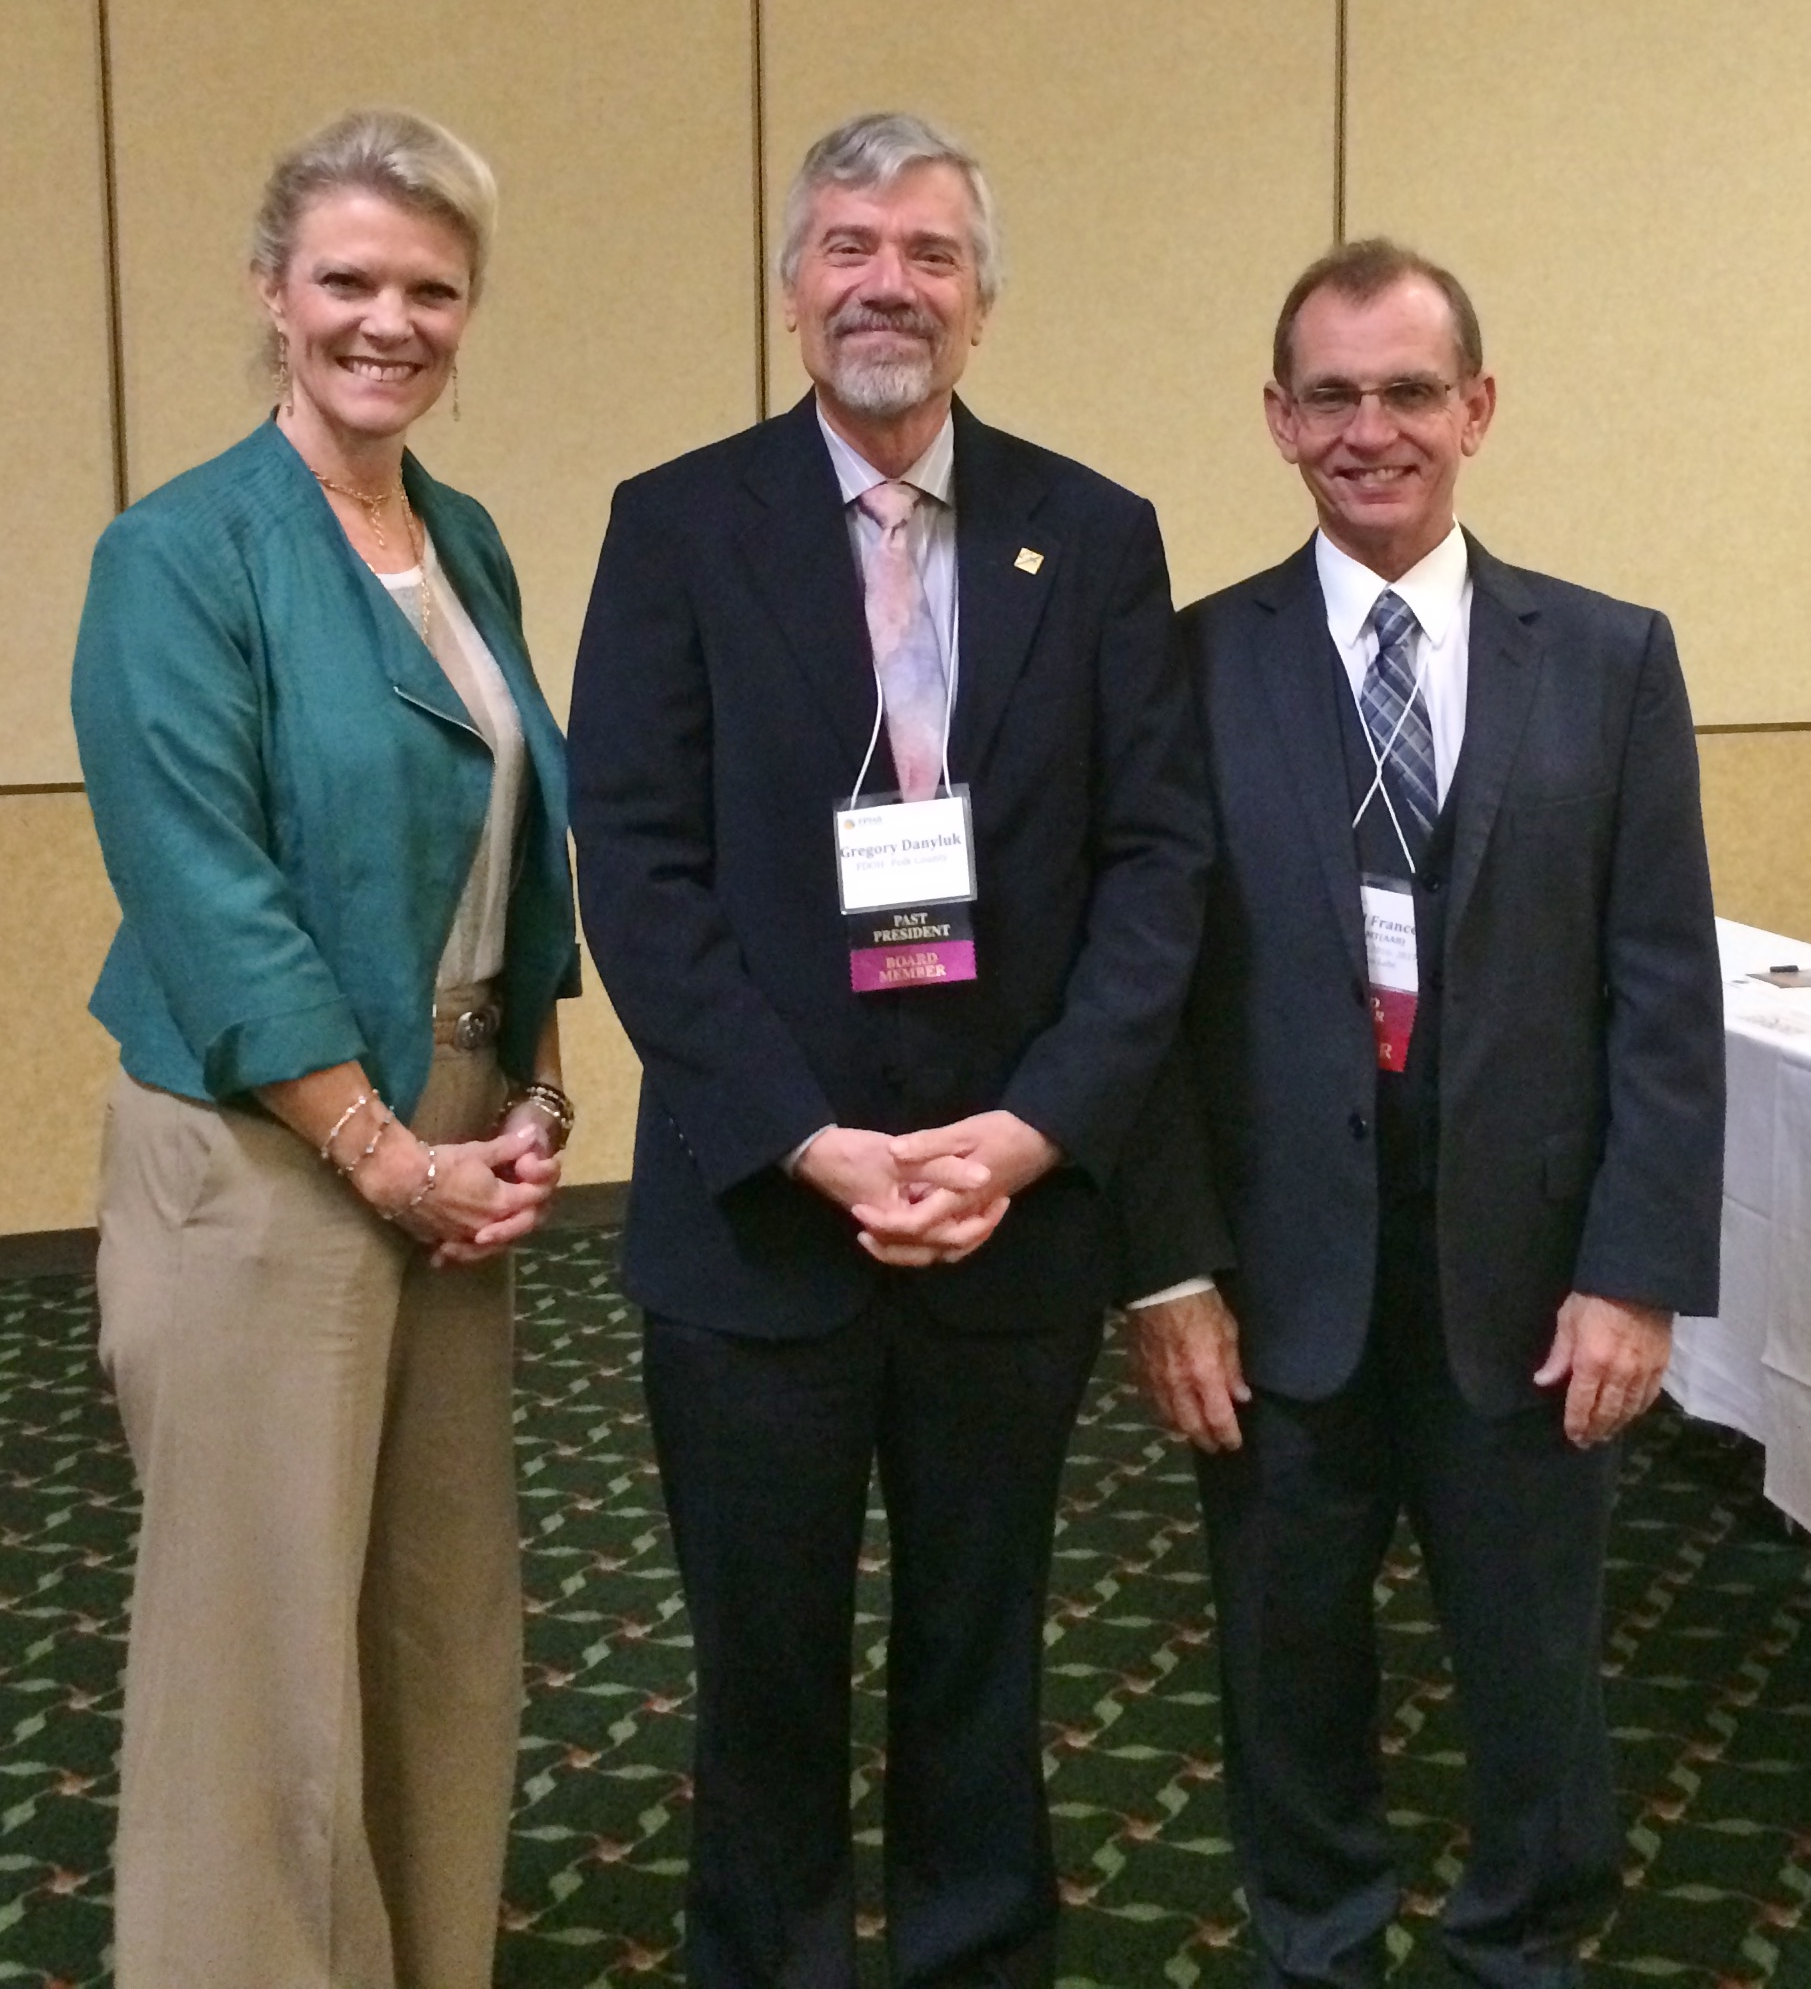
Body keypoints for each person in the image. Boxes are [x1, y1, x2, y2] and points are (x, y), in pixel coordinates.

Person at [570, 111, 1207, 1988]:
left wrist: (1034, 1132)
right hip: (760, 1214)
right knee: (760, 1653)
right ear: (789, 293)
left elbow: (1153, 867)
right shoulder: (674, 524)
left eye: (930, 254)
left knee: (984, 1642)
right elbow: (641, 863)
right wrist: (802, 1137)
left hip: (1010, 1212)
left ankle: (973, 1950)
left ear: (982, 302)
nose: (887, 285)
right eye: (849, 246)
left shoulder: (1089, 536)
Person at [1118, 239, 1725, 1988]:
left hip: (1530, 1279)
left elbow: (1660, 997)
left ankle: (1519, 1943)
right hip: (1274, 1274)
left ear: (1475, 407)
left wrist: (1635, 1270)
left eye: (1404, 391)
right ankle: (1314, 1939)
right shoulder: (1185, 664)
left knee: (1534, 1665)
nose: (1368, 428)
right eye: (1330, 395)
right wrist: (1165, 1268)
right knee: (1283, 1656)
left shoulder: (1609, 660)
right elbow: (1144, 1008)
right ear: (1275, 420)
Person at [70, 108, 580, 1989]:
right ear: (273, 295)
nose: (390, 320)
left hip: (449, 1145)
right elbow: (207, 891)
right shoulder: (179, 553)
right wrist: (384, 1150)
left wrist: (528, 1089)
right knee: (258, 1661)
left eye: (429, 288)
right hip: (269, 1158)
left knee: (442, 1631)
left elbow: (511, 826)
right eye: (349, 279)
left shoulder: (463, 539)